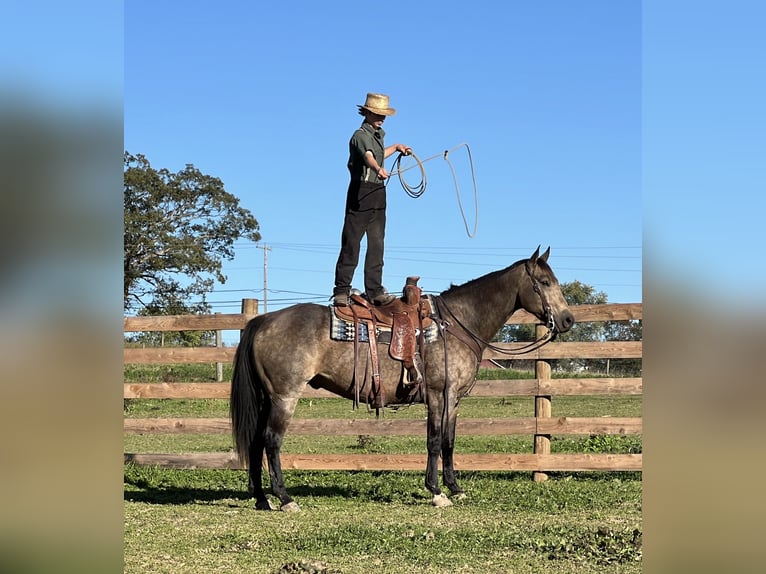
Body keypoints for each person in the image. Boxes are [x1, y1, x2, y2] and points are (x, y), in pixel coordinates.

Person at [332, 92, 411, 307]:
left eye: (383, 115)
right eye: (377, 114)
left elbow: (376, 153)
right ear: (366, 113)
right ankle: (341, 291)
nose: (381, 118)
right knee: (352, 243)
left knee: (377, 244)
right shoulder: (359, 135)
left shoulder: (378, 135)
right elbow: (368, 156)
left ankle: (375, 290)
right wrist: (378, 169)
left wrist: (396, 148)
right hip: (361, 191)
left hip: (378, 192)